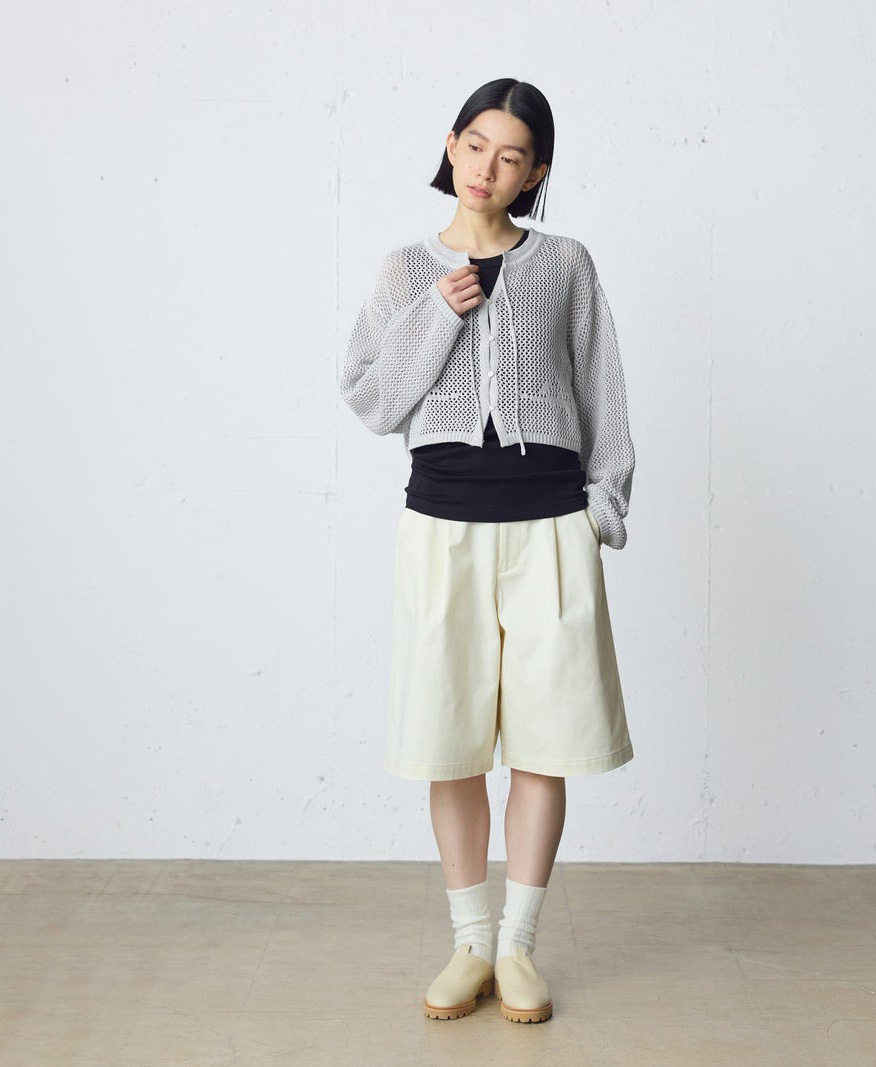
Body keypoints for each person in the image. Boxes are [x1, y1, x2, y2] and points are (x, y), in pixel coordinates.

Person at [339, 77, 636, 1024]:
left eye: (511, 157)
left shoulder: (565, 264)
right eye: (475, 145)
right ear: (451, 145)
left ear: (534, 172)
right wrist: (437, 311)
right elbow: (370, 398)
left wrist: (601, 507)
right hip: (442, 529)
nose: (486, 168)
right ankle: (469, 941)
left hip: (549, 527)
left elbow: (602, 388)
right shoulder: (402, 271)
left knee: (546, 743)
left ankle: (517, 947)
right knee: (449, 741)